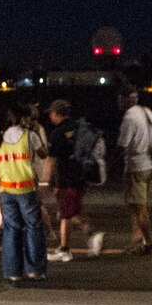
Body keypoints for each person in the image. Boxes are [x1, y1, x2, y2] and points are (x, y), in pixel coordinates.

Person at [45, 99, 106, 263]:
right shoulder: (79, 128)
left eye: (51, 113)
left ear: (57, 114)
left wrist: (45, 182)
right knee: (76, 212)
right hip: (81, 177)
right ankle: (92, 236)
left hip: (65, 179)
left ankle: (65, 249)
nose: (50, 116)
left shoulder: (57, 133)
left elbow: (52, 160)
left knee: (65, 215)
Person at [0, 107, 47, 283]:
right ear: (23, 118)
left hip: (6, 190)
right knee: (33, 228)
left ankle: (13, 272)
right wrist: (38, 132)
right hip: (26, 189)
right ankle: (35, 270)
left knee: (11, 230)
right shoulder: (29, 136)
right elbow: (43, 154)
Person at [118, 89, 152, 254]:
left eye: (120, 98)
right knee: (141, 206)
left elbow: (122, 145)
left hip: (137, 167)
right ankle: (138, 237)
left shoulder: (129, 118)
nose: (118, 101)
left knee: (139, 207)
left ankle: (148, 244)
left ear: (128, 100)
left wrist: (109, 165)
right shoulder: (147, 112)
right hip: (151, 164)